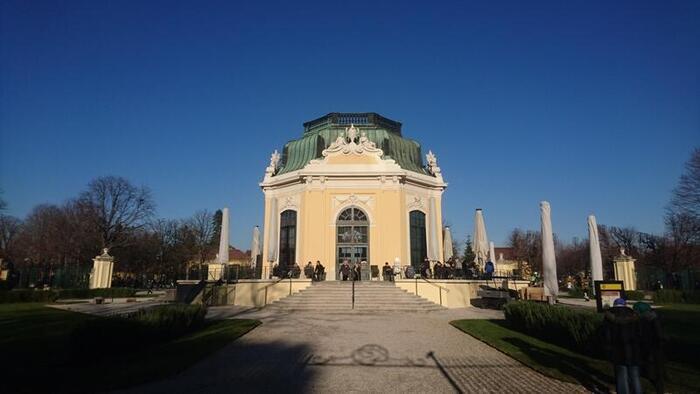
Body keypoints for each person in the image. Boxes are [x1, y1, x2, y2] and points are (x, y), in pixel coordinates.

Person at [604, 298, 642, 394]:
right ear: (625, 304)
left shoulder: (609, 315)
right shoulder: (633, 314)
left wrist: (608, 346)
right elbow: (639, 332)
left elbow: (606, 334)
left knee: (621, 375)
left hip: (617, 348)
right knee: (635, 375)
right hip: (633, 348)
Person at [634, 302, 665, 394]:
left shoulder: (649, 320)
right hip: (652, 349)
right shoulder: (650, 318)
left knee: (653, 373)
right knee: (654, 373)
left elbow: (658, 335)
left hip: (652, 350)